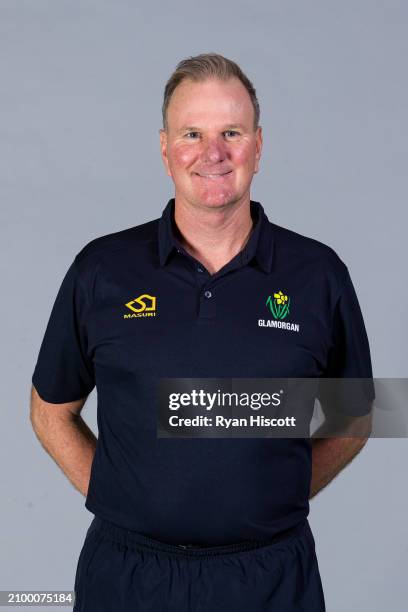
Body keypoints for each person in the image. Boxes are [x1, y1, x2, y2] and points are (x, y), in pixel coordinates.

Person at [30, 52, 374, 611]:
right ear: (165, 149)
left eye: (231, 133)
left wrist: (274, 501)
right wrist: (120, 499)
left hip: (269, 578)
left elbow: (356, 416)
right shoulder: (102, 269)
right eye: (192, 133)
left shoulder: (318, 274)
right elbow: (49, 410)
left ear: (257, 147)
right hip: (129, 577)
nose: (212, 153)